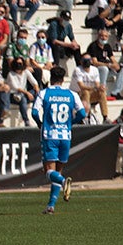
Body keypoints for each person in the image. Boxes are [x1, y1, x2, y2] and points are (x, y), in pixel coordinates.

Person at [31, 66, 86, 215]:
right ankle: (51, 206)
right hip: (65, 136)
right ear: (63, 79)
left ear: (50, 79)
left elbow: (34, 112)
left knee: (48, 170)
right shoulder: (72, 94)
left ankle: (63, 183)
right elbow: (82, 113)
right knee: (58, 170)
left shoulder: (44, 93)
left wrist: (40, 124)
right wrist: (71, 123)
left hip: (50, 135)